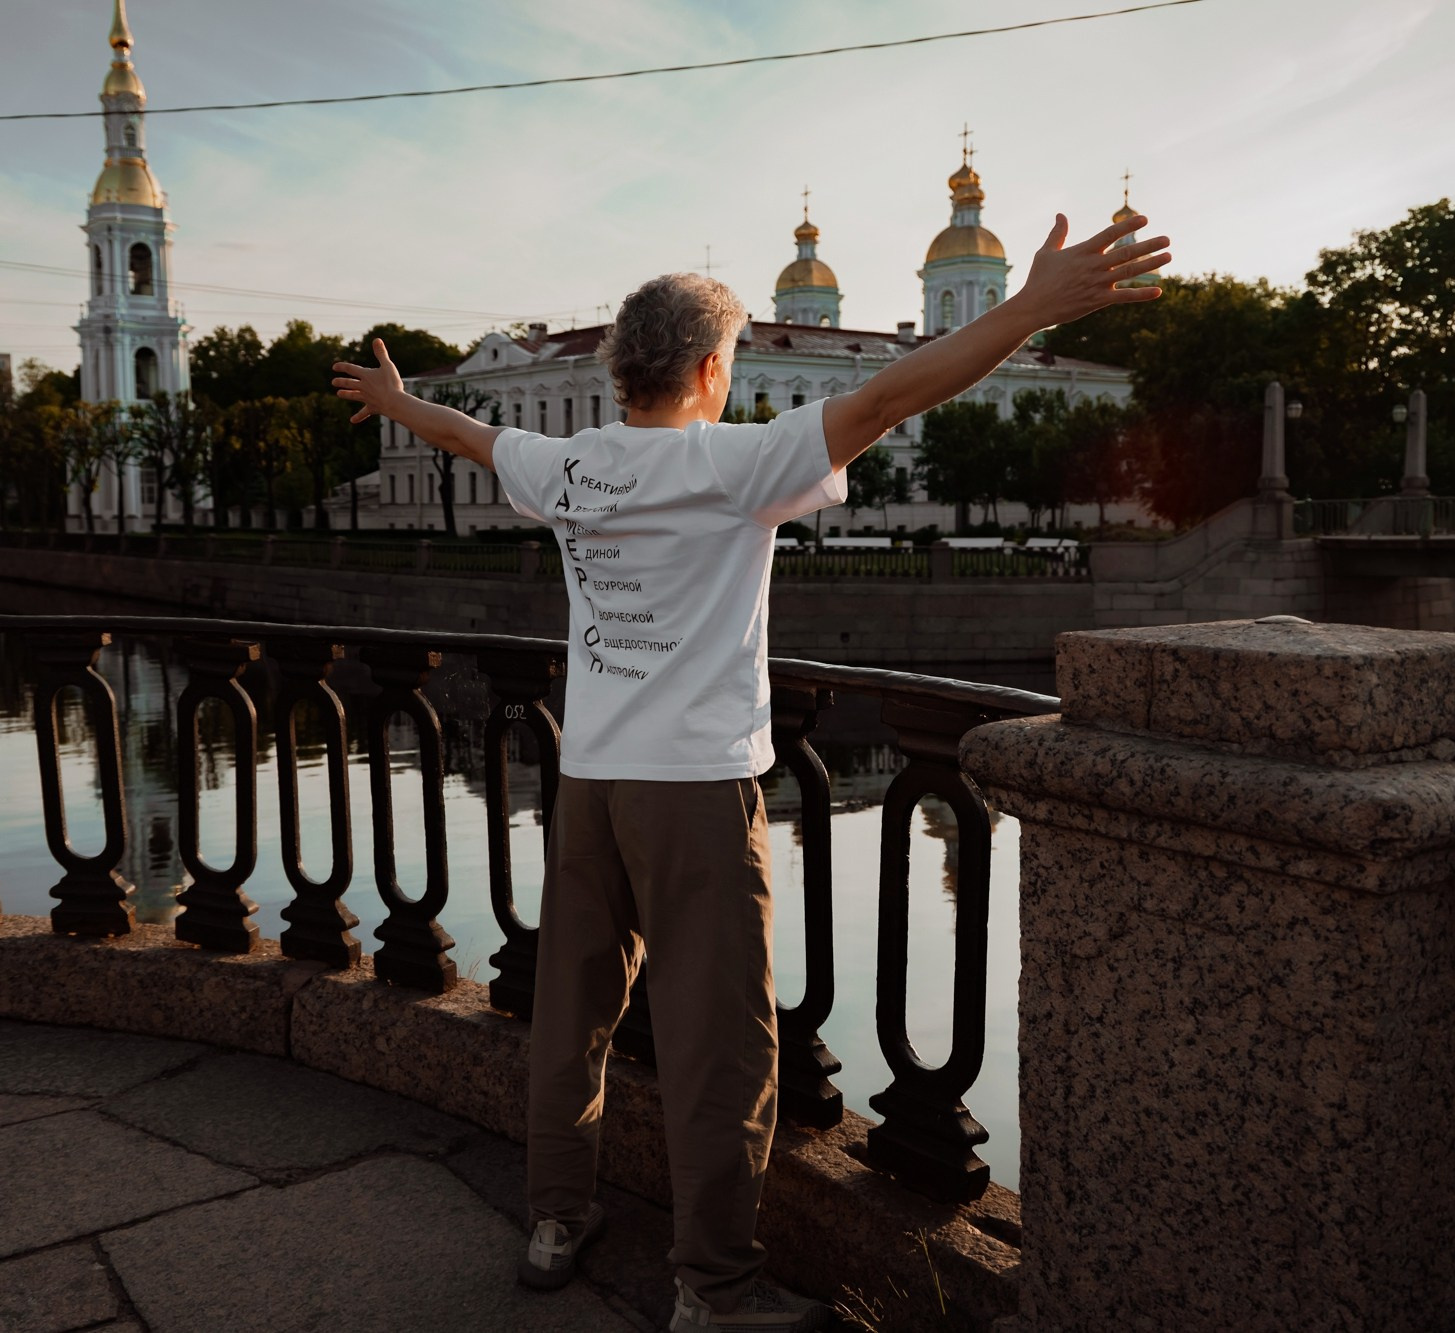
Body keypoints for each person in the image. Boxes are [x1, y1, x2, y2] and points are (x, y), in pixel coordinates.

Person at [333, 211, 1169, 1332]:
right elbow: (886, 399)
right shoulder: (736, 460)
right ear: (713, 367)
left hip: (591, 783)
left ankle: (551, 1218)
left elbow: (474, 439)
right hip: (692, 791)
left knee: (570, 1013)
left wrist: (394, 406)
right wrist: (1027, 308)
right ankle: (714, 1289)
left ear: (617, 367)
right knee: (720, 1043)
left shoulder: (568, 462)